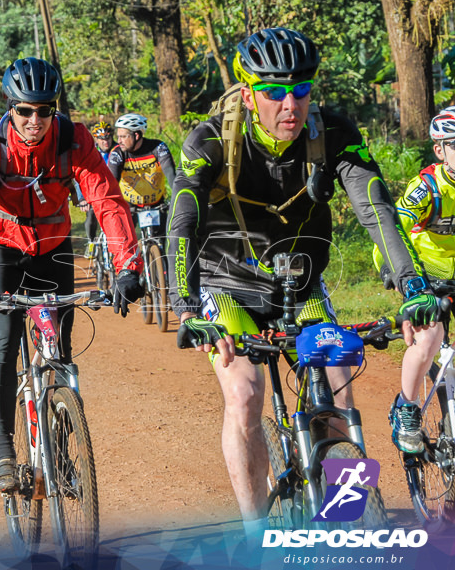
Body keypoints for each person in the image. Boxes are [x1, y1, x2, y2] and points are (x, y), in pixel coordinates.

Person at [169, 26, 444, 538]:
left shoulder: (332, 133)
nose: (289, 103)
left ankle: (348, 530)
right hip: (226, 286)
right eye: (273, 92)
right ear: (249, 93)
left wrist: (411, 286)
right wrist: (184, 307)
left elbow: (376, 207)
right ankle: (256, 536)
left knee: (339, 392)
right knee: (246, 393)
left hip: (302, 286)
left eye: (300, 89)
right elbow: (183, 217)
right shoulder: (210, 139)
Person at [0, 56, 144, 492]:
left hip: (52, 246)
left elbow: (107, 200)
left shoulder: (73, 139)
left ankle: (62, 452)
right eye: (25, 110)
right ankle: (4, 451)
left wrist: (129, 266)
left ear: (55, 108)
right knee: (4, 337)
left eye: (45, 110)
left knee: (60, 349)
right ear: (9, 107)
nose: (35, 120)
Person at [371, 107, 455, 453]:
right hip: (426, 276)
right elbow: (393, 229)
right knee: (429, 337)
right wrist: (390, 270)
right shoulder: (428, 187)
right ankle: (406, 407)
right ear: (440, 150)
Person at [107, 112, 177, 245]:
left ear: (136, 135)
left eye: (123, 137)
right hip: (129, 204)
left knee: (161, 246)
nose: (119, 141)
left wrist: (177, 197)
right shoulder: (118, 153)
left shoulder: (158, 148)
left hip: (156, 203)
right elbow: (113, 180)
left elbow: (170, 174)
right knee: (125, 244)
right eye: (118, 137)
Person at [82, 121, 115, 252]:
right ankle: (91, 242)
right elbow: (80, 176)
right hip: (94, 192)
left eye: (108, 138)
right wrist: (81, 198)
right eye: (101, 139)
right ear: (96, 139)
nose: (105, 142)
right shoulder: (90, 152)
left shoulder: (119, 150)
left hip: (114, 192)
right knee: (91, 217)